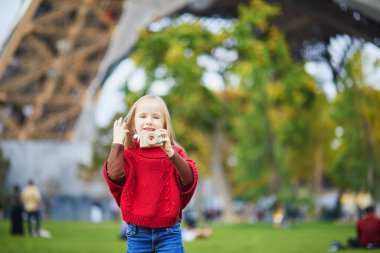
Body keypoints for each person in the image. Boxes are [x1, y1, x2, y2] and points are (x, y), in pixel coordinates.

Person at [103, 95, 198, 253]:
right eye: (142, 116)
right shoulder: (127, 153)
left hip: (169, 232)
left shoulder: (175, 153)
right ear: (133, 123)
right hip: (137, 232)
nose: (149, 121)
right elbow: (114, 176)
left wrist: (170, 152)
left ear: (164, 124)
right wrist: (117, 144)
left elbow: (188, 180)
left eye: (155, 117)